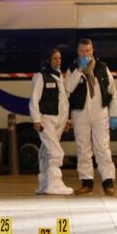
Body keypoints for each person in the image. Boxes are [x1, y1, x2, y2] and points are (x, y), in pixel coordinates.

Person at [65, 38, 117, 196]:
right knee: (83, 150)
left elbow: (112, 92)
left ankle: (108, 182)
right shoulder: (73, 68)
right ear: (78, 52)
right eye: (82, 51)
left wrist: (114, 115)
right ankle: (87, 183)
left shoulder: (102, 68)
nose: (85, 54)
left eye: (88, 51)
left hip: (100, 114)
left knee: (103, 148)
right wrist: (79, 71)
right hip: (80, 114)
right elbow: (67, 88)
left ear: (93, 51)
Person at [29, 48, 73, 196]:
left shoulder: (60, 75)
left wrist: (67, 119)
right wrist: (36, 119)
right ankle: (55, 184)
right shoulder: (40, 76)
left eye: (59, 58)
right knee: (55, 152)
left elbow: (64, 101)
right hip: (46, 120)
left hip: (59, 121)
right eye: (55, 58)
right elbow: (34, 100)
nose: (58, 61)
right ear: (48, 60)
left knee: (45, 151)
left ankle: (44, 184)